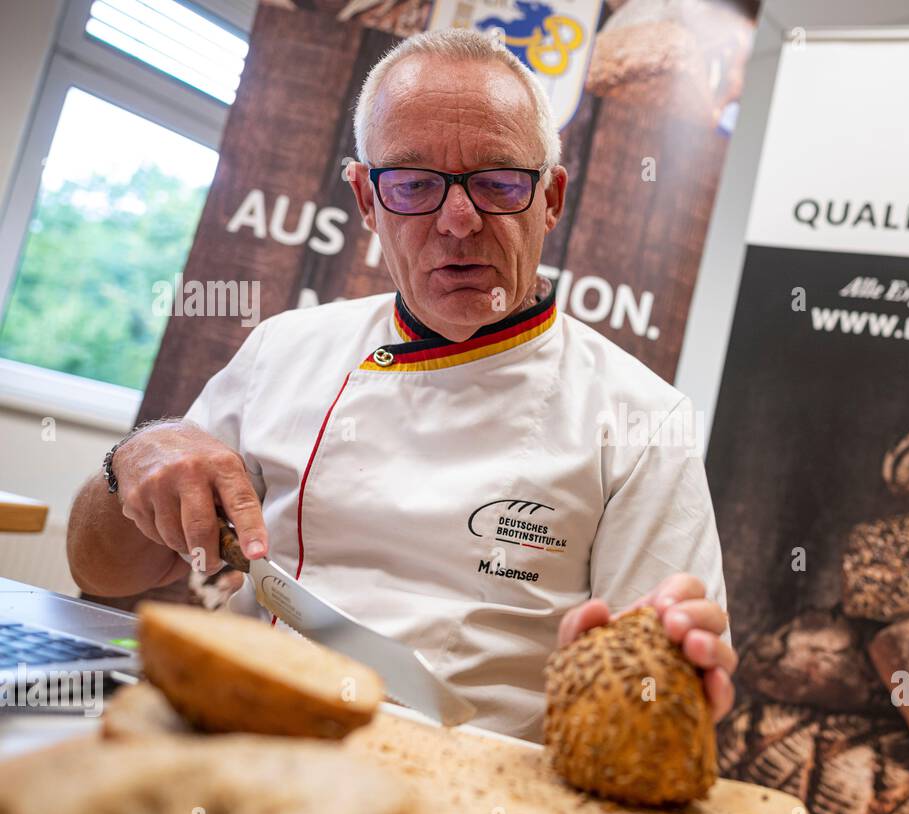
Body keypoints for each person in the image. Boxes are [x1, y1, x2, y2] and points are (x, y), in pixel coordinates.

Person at [66, 28, 735, 742]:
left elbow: (659, 702)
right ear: (365, 199)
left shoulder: (644, 421)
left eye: (498, 182)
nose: (457, 222)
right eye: (414, 184)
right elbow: (102, 574)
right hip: (240, 733)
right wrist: (131, 462)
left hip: (468, 799)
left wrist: (659, 684)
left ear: (551, 199)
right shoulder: (283, 351)